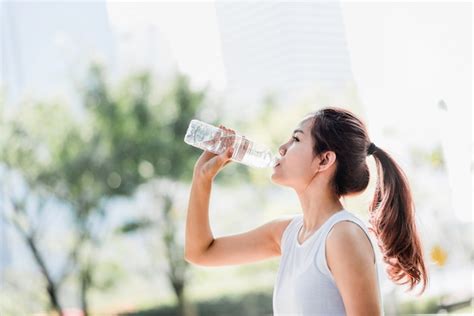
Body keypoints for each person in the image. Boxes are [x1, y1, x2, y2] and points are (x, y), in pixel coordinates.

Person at [185, 106, 428, 315]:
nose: (282, 148)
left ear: (324, 160)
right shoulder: (287, 234)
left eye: (296, 139)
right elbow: (200, 252)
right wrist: (201, 178)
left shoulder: (343, 235)